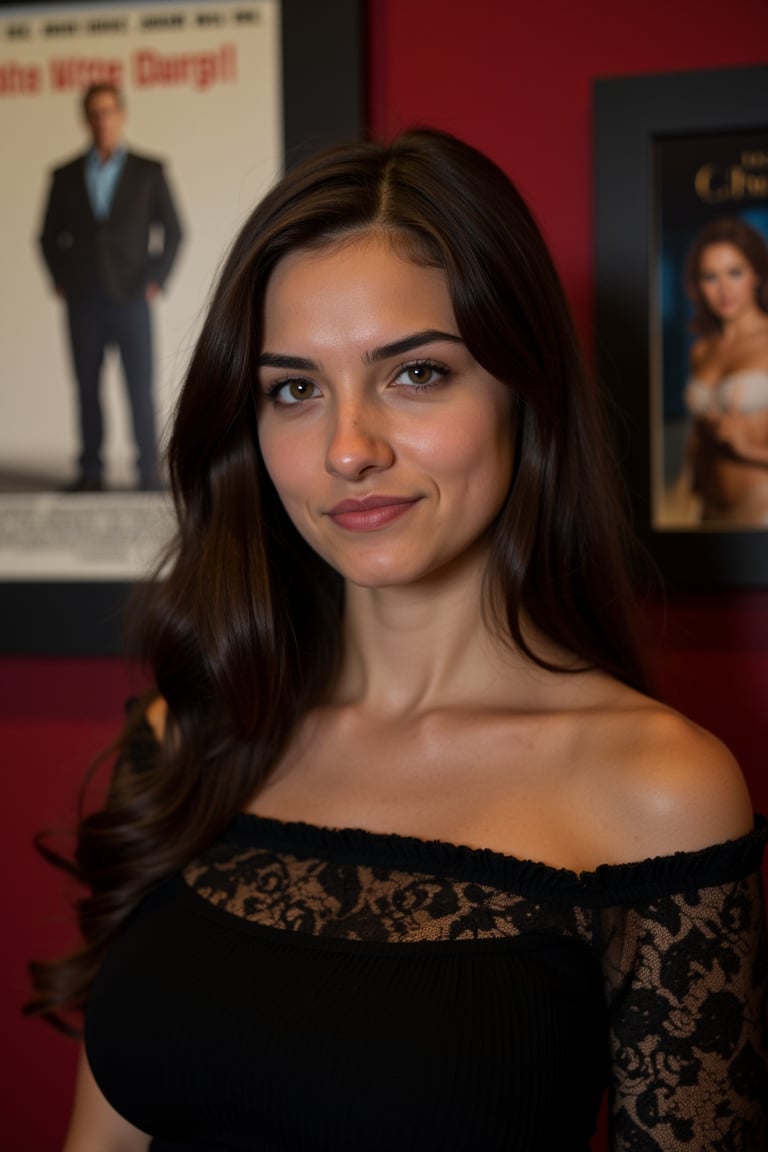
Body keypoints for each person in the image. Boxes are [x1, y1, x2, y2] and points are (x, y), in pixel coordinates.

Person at [27, 129, 766, 1151]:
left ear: (523, 388)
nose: (347, 449)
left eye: (415, 374)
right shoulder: (194, 728)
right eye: (295, 389)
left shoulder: (658, 789)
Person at [39, 82, 183, 492]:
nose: (102, 120)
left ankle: (147, 472)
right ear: (86, 119)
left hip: (132, 299)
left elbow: (173, 232)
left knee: (139, 388)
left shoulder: (149, 170)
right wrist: (61, 281)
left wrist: (155, 280)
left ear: (121, 115)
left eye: (108, 112)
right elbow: (48, 237)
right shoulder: (64, 175)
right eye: (94, 113)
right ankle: (90, 470)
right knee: (87, 388)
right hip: (84, 301)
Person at [682, 217, 768, 524]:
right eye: (710, 276)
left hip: (761, 509)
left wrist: (748, 448)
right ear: (698, 286)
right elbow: (698, 435)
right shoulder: (702, 350)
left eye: (735, 272)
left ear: (756, 274)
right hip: (708, 511)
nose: (724, 289)